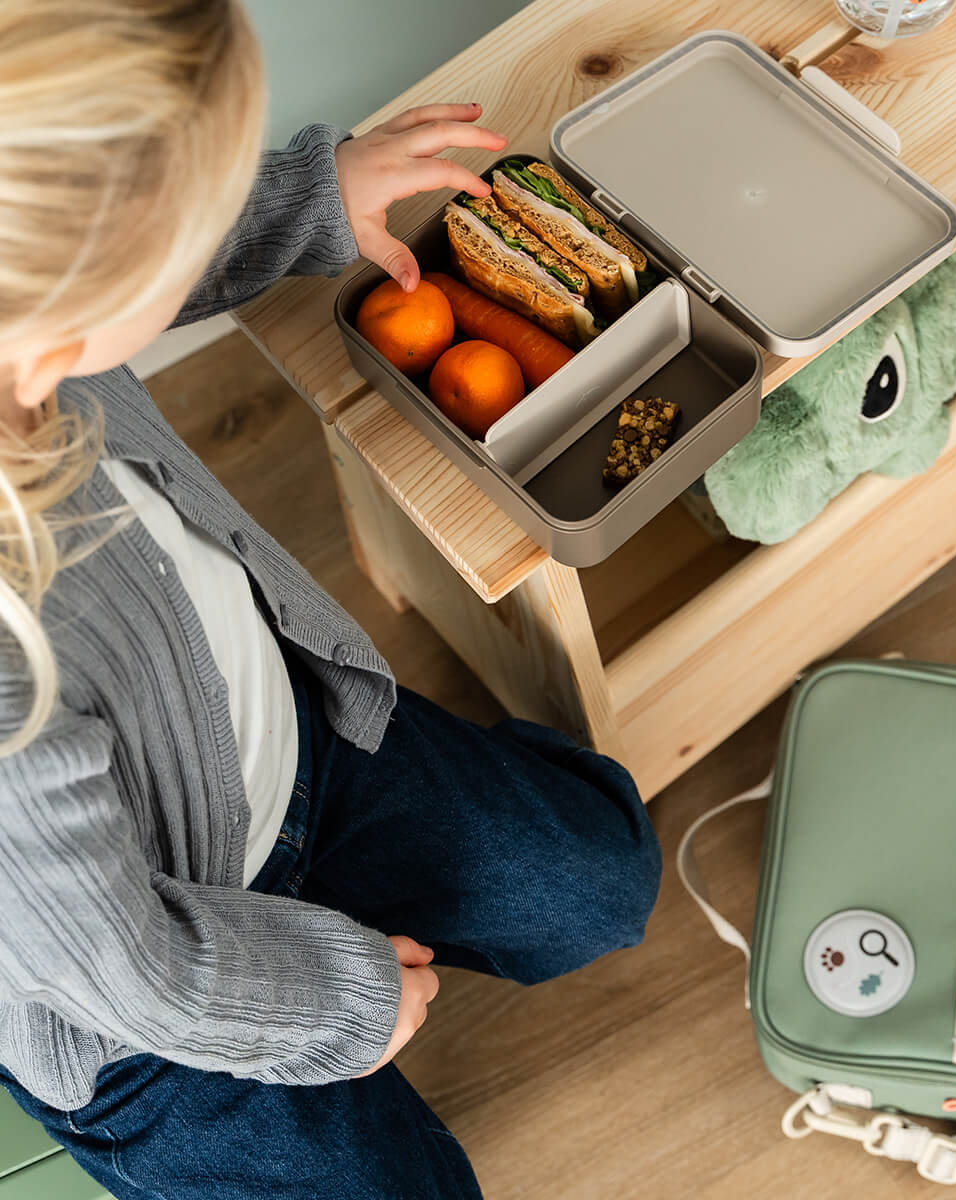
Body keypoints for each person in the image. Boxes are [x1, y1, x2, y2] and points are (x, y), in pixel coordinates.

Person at [0, 3, 661, 1197]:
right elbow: (130, 971)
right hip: (142, 1006)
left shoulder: (30, 299)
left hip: (284, 743)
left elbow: (124, 232)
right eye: (198, 219)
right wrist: (344, 1002)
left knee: (598, 882)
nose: (211, 224)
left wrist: (308, 198)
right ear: (71, 307)